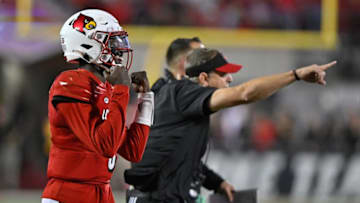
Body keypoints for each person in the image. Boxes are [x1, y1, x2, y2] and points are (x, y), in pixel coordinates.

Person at [125, 47, 336, 203]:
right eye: (223, 73)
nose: (230, 78)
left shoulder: (175, 97)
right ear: (203, 78)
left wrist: (216, 183)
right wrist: (295, 75)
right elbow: (245, 94)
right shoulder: (184, 94)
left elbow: (176, 155)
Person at [41, 9, 154, 203]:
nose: (119, 50)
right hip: (70, 193)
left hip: (102, 192)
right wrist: (120, 90)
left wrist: (146, 98)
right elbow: (106, 146)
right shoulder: (69, 83)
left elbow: (133, 151)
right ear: (87, 43)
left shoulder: (105, 87)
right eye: (111, 42)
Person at [124, 39, 235, 203]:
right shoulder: (172, 95)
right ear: (185, 63)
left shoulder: (169, 93)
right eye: (200, 56)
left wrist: (216, 182)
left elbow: (179, 155)